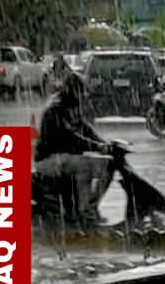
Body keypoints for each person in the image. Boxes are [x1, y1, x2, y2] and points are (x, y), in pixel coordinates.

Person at [34, 73, 114, 224]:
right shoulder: (55, 110)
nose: (83, 96)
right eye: (80, 92)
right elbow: (70, 136)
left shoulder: (73, 107)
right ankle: (84, 211)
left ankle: (90, 206)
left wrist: (105, 145)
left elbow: (86, 129)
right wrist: (96, 146)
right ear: (71, 91)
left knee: (108, 164)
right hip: (49, 159)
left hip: (66, 157)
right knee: (86, 165)